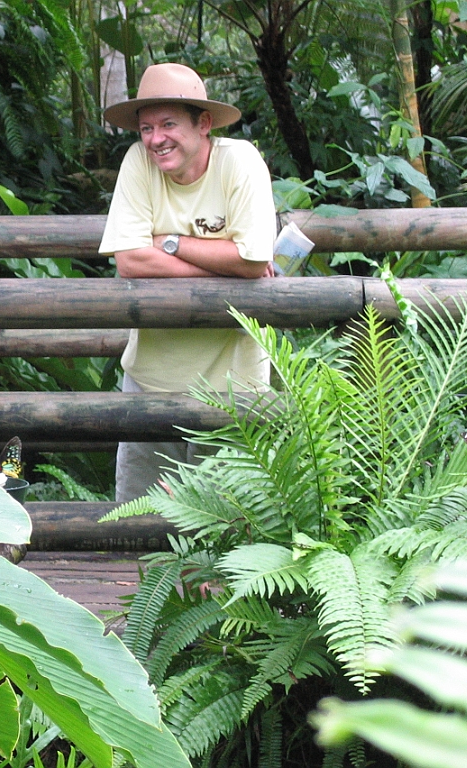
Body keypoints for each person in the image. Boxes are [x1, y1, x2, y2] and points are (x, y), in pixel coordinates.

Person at [98, 63, 276, 503]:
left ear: (204, 123)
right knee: (140, 527)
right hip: (149, 378)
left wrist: (171, 242)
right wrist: (223, 263)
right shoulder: (138, 161)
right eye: (146, 128)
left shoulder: (239, 162)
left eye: (168, 124)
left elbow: (254, 262)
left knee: (234, 532)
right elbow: (130, 260)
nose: (155, 139)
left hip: (234, 387)